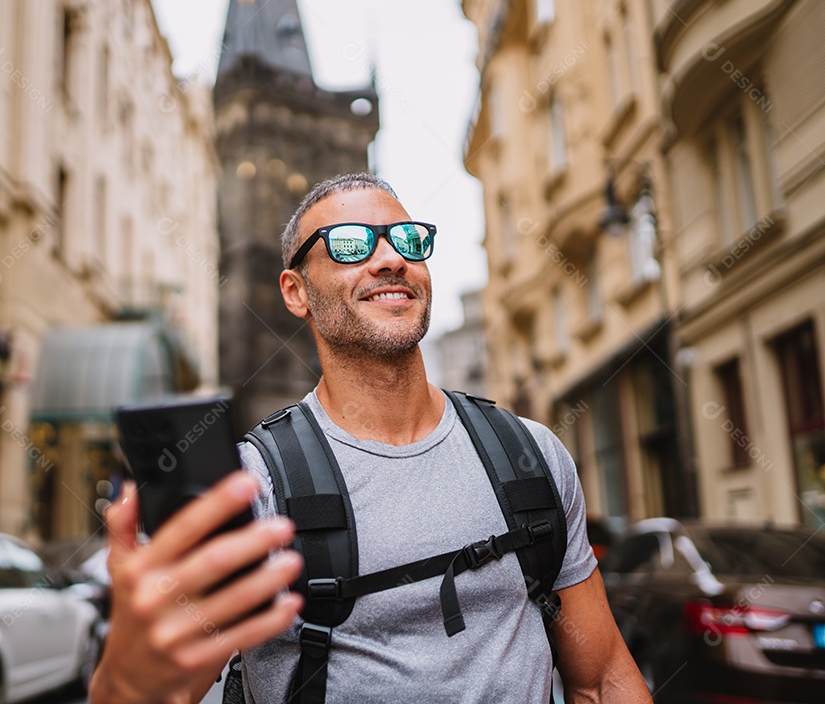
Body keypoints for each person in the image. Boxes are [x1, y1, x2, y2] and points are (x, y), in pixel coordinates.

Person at [92, 173, 652, 703]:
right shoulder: (253, 490)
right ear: (296, 291)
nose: (391, 258)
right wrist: (128, 671)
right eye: (350, 244)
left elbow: (602, 679)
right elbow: (154, 688)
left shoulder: (529, 456)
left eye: (408, 240)